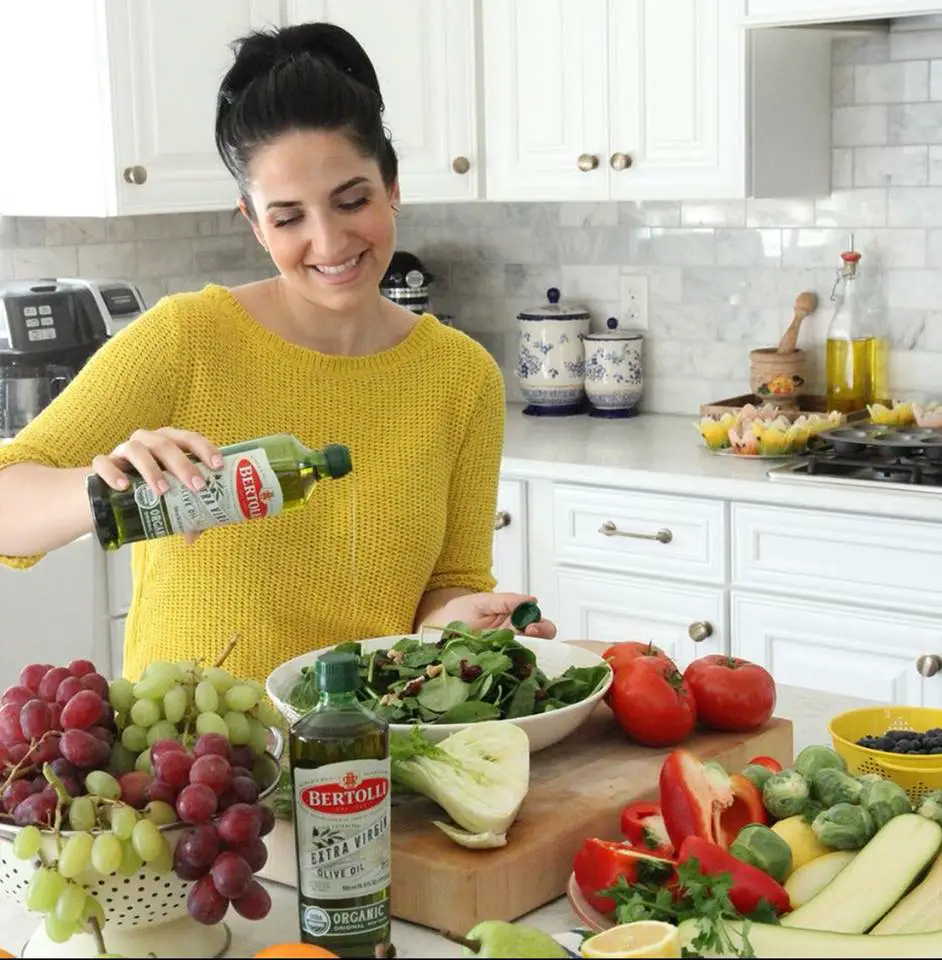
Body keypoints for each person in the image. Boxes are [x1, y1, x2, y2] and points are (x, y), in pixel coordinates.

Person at [0, 22, 556, 686]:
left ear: (394, 186)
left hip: (362, 756)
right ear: (254, 223)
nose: (328, 243)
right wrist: (104, 485)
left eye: (352, 201)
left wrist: (460, 624)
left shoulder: (461, 376)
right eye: (289, 218)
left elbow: (446, 588)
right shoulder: (188, 338)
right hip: (196, 767)